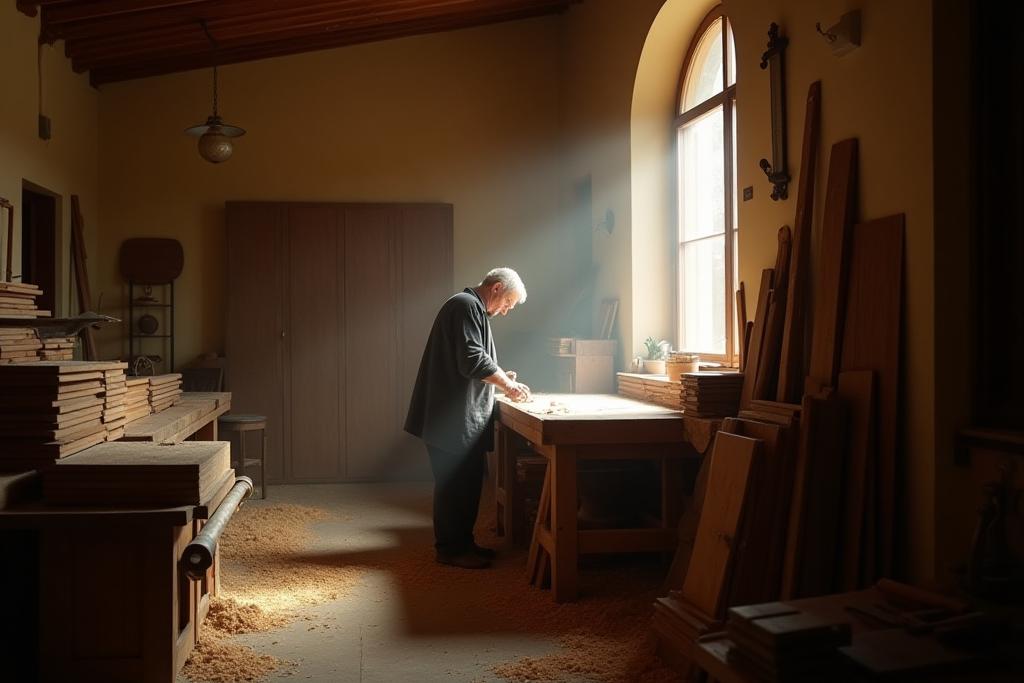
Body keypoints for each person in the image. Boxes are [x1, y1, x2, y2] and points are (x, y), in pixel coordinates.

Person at [404, 267, 532, 569]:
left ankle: (463, 544)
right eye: (508, 304)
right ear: (497, 288)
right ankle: (450, 550)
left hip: (454, 419)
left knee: (467, 485)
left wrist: (501, 376)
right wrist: (507, 385)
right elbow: (473, 360)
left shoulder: (469, 308)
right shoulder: (465, 306)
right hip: (451, 421)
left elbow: (472, 360)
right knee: (455, 487)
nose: (505, 311)